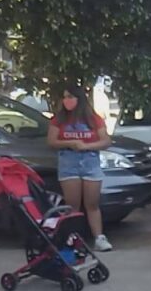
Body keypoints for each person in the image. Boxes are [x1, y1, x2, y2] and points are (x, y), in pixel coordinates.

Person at [47, 83, 114, 252]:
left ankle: (99, 237)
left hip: (90, 162)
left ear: (79, 99)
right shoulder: (59, 119)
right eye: (65, 97)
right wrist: (70, 143)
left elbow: (106, 141)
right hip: (68, 163)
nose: (66, 100)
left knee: (92, 204)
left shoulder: (93, 118)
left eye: (70, 97)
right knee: (73, 205)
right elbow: (52, 142)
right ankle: (73, 238)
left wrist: (86, 146)